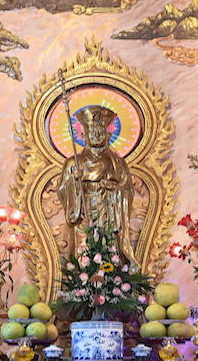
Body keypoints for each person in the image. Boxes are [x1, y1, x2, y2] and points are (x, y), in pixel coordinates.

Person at [57, 105, 138, 267]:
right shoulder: (74, 163)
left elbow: (128, 189)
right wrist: (74, 182)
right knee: (83, 257)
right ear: (84, 135)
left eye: (100, 131)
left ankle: (113, 279)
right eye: (92, 132)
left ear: (108, 134)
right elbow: (62, 190)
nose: (96, 135)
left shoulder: (117, 163)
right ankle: (81, 281)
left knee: (110, 256)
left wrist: (114, 189)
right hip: (84, 215)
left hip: (109, 214)